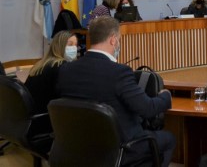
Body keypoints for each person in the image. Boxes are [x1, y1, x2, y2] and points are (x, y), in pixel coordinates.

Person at [57, 16, 175, 167]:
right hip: (121, 148)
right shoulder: (119, 72)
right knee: (169, 139)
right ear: (113, 40)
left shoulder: (66, 70)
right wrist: (165, 96)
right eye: (119, 39)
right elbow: (147, 109)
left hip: (80, 147)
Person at [25, 31, 78, 115]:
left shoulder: (41, 64)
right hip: (46, 118)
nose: (74, 48)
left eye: (76, 45)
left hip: (30, 116)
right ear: (59, 46)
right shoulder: (61, 66)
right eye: (70, 44)